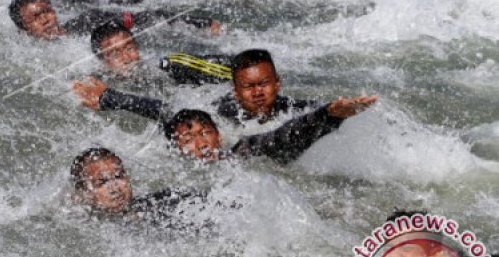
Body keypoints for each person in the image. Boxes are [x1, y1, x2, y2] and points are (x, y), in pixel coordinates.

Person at [73, 49, 326, 126]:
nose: (258, 93)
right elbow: (172, 111)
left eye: (264, 85)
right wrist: (111, 97)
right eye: (248, 87)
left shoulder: (294, 108)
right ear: (236, 92)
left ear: (277, 84)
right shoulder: (225, 112)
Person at [163, 99, 376, 164]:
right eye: (188, 139)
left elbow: (281, 137)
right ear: (175, 147)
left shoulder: (240, 153)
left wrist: (327, 114)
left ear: (218, 135)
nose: (201, 144)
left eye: (205, 133)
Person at [70, 148, 237, 227]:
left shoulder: (160, 205)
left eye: (119, 176)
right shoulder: (82, 223)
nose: (115, 188)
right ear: (84, 191)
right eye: (102, 183)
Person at [8, 0, 223, 40]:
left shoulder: (88, 23)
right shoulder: (29, 52)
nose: (46, 19)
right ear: (23, 29)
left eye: (47, 12)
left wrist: (201, 22)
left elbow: (149, 17)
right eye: (36, 18)